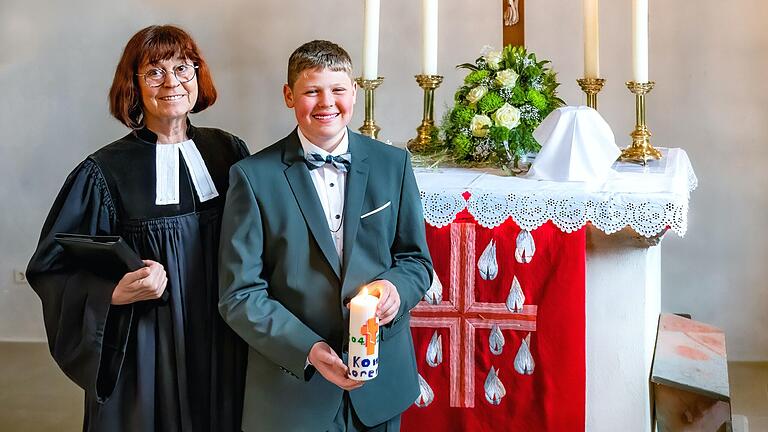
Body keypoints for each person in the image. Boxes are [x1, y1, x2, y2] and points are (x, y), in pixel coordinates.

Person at [26, 25, 248, 431]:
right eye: (154, 72)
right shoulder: (104, 172)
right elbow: (50, 268)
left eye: (183, 68)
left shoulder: (229, 151)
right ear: (133, 86)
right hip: (146, 351)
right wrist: (111, 292)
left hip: (220, 340)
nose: (172, 82)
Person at [218, 40, 433, 431]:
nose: (326, 102)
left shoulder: (394, 163)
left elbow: (416, 261)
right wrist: (309, 350)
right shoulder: (252, 177)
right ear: (289, 95)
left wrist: (395, 291)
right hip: (292, 393)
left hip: (380, 384)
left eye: (337, 90)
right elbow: (239, 295)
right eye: (311, 91)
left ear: (354, 91)